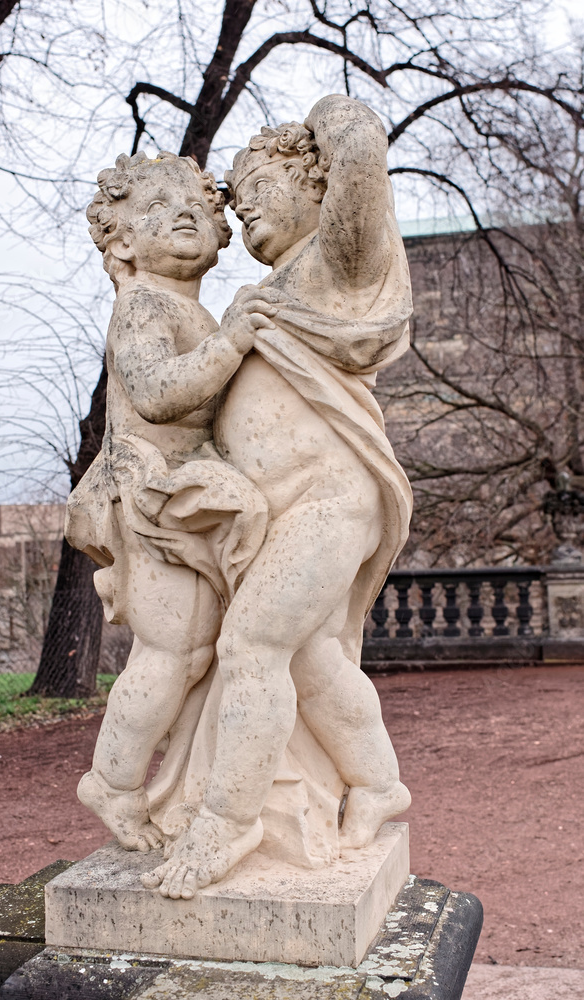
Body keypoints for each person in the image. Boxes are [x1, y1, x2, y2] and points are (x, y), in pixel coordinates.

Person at [143, 96, 414, 900]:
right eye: (236, 189)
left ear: (313, 183)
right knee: (311, 656)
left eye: (258, 181)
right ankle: (376, 783)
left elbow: (361, 145)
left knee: (252, 644)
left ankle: (230, 821)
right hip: (273, 512)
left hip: (332, 496)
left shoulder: (342, 258)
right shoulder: (258, 293)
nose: (244, 202)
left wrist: (326, 120)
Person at [68, 150, 277, 852]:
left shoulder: (190, 306)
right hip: (157, 492)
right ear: (122, 240)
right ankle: (114, 782)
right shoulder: (144, 305)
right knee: (169, 653)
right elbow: (157, 392)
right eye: (156, 211)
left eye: (201, 209)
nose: (186, 215)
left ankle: (177, 782)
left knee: (194, 657)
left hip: (189, 493)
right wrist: (234, 340)